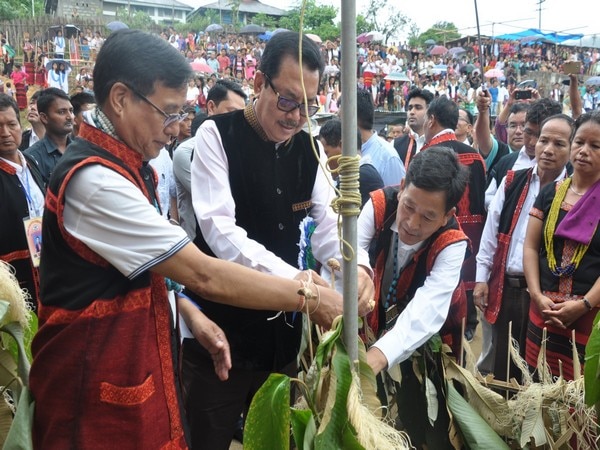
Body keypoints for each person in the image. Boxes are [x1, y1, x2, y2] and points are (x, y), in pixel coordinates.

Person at [29, 29, 349, 449]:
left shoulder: (130, 165)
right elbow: (204, 271)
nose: (175, 129)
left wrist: (190, 314)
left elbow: (146, 266)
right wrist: (308, 294)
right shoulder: (95, 181)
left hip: (174, 353)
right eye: (168, 112)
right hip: (95, 379)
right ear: (122, 99)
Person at [185, 31, 375, 449]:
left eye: (307, 106)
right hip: (219, 335)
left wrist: (357, 266)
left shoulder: (309, 149)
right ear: (257, 83)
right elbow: (222, 235)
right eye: (287, 100)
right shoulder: (217, 135)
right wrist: (302, 287)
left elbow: (329, 228)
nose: (294, 117)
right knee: (206, 438)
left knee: (275, 438)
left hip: (282, 343)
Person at [363, 146, 470, 450]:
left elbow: (427, 310)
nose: (411, 223)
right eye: (408, 206)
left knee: (431, 416)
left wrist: (378, 356)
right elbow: (352, 249)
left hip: (430, 342)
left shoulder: (452, 243)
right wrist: (359, 270)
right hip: (374, 323)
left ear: (448, 214)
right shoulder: (379, 205)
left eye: (428, 216)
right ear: (401, 188)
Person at [474, 114, 573, 380]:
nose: (548, 150)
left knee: (538, 369)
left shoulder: (574, 192)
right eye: (543, 140)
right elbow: (491, 233)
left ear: (572, 149)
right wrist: (482, 279)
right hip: (506, 288)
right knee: (504, 366)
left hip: (544, 296)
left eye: (559, 144)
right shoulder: (512, 180)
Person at [523, 111, 600, 381]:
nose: (583, 151)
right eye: (579, 143)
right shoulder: (550, 194)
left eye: (595, 146)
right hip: (543, 309)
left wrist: (584, 304)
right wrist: (536, 295)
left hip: (589, 317)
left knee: (580, 401)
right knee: (537, 389)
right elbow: (531, 247)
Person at [421, 95, 487, 342]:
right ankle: (467, 325)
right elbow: (480, 200)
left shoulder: (427, 154)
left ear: (431, 120)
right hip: (471, 231)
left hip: (437, 232)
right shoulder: (473, 155)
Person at [173, 79, 247, 240]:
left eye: (241, 115)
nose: (237, 120)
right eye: (231, 112)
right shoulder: (185, 152)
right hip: (198, 245)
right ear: (211, 107)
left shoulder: (238, 148)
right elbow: (217, 198)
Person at [0, 94, 45, 310]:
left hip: (45, 264)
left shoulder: (31, 163)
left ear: (21, 124)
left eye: (11, 124)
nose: (5, 133)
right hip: (13, 278)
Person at [484, 98, 563, 209]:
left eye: (540, 136)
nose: (532, 142)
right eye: (528, 132)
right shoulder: (506, 164)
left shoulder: (566, 172)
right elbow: (489, 200)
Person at [318, 117, 384, 208]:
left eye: (326, 153)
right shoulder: (364, 172)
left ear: (343, 146)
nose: (323, 161)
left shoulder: (355, 178)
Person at [347, 88, 404, 187]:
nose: (338, 124)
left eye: (340, 118)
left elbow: (396, 199)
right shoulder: (344, 152)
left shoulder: (388, 157)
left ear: (352, 118)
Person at [25, 88, 74, 185]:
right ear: (44, 117)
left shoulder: (80, 149)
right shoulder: (32, 158)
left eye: (71, 111)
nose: (69, 117)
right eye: (62, 112)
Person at [393, 88, 434, 171]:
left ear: (430, 113)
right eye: (410, 108)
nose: (412, 112)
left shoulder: (439, 145)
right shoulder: (395, 145)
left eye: (418, 108)